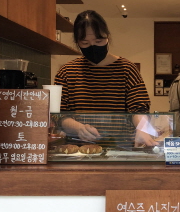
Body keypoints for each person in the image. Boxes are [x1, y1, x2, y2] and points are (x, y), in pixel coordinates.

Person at [54, 10, 157, 147]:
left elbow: (139, 108)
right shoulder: (66, 72)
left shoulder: (127, 69)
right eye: (85, 43)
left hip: (120, 148)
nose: (93, 47)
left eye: (99, 41)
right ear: (77, 42)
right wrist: (78, 128)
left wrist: (142, 129)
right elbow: (59, 115)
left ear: (107, 37)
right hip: (78, 150)